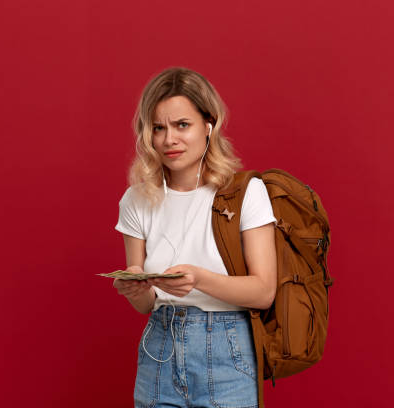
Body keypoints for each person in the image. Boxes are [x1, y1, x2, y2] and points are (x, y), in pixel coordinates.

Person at [113, 66, 278, 408]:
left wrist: (199, 279)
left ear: (209, 124)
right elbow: (146, 304)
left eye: (181, 125)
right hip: (158, 350)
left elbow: (264, 291)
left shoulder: (245, 192)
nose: (168, 139)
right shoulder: (137, 199)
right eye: (158, 128)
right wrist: (134, 289)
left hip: (228, 351)